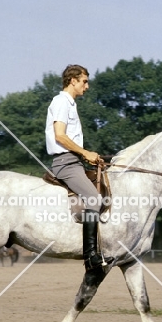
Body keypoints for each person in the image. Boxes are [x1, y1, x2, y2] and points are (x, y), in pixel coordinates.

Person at [45, 64, 112, 270]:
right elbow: (60, 136)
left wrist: (90, 157)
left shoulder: (70, 104)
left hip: (74, 160)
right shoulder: (61, 102)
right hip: (65, 162)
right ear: (72, 81)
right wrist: (85, 153)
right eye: (84, 81)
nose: (87, 86)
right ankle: (90, 256)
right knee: (94, 199)